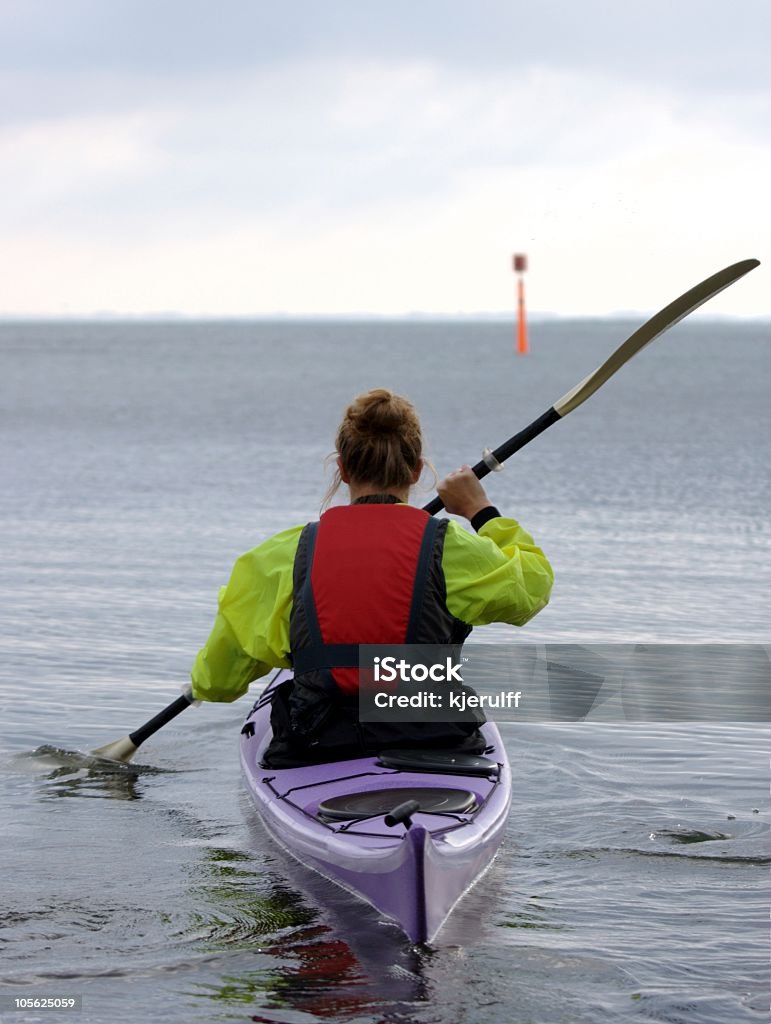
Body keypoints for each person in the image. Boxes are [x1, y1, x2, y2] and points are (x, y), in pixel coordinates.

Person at [191, 388, 553, 766]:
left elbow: (221, 682)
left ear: (343, 470)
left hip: (317, 741)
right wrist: (481, 510)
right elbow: (534, 584)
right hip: (434, 737)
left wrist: (202, 686)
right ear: (416, 471)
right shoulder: (451, 548)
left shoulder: (280, 555)